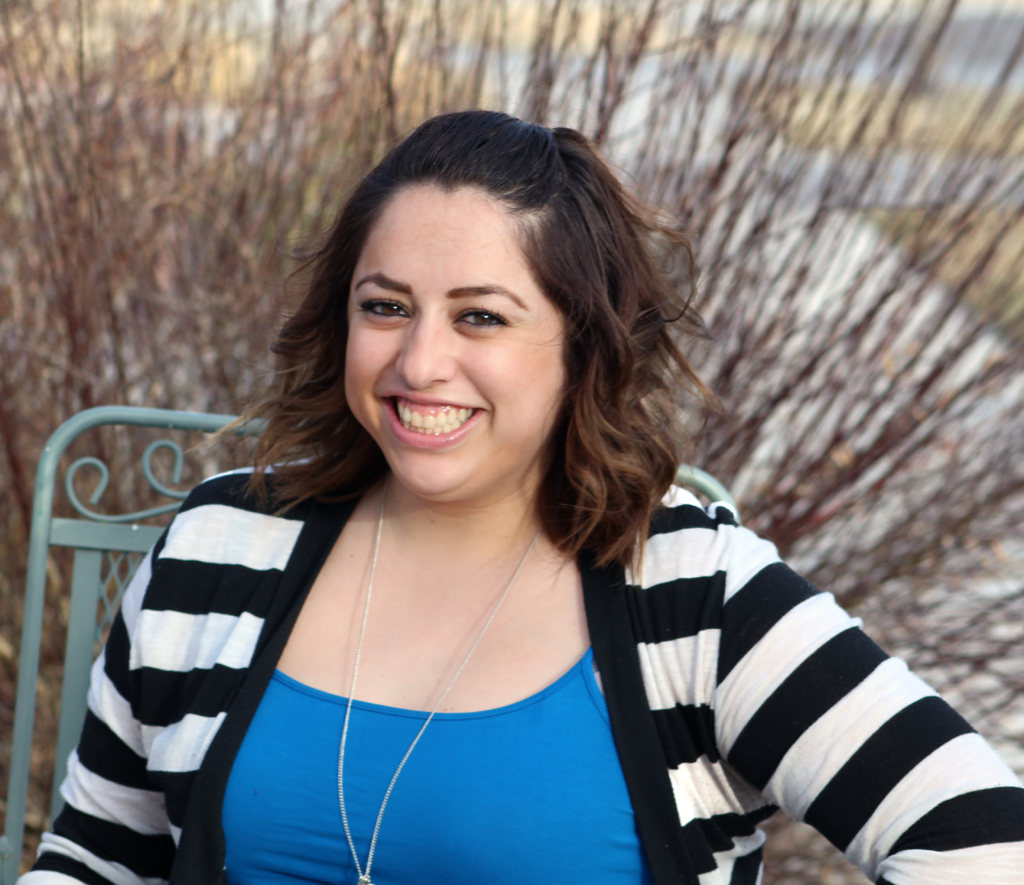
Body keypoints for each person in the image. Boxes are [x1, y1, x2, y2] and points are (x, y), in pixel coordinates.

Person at [20, 110, 1024, 885]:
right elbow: (97, 859)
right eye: (385, 308)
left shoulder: (691, 593)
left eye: (481, 318)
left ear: (582, 345)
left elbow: (984, 841)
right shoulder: (222, 545)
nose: (421, 362)